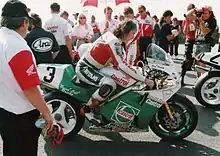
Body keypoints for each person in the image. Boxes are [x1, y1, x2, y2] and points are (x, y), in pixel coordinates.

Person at [75, 20, 154, 125]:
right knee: (109, 84)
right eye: (133, 32)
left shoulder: (114, 38)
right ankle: (87, 109)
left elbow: (122, 63)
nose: (133, 36)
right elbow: (122, 66)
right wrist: (145, 80)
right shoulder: (114, 42)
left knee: (121, 79)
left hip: (96, 67)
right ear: (126, 31)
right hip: (86, 68)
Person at [0, 1, 53, 156]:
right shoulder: (17, 45)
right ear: (24, 22)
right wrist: (46, 113)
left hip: (5, 110)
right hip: (21, 116)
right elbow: (29, 88)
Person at [185, 6, 217, 77]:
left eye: (206, 13)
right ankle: (198, 81)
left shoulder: (212, 21)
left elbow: (204, 32)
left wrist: (200, 21)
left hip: (205, 44)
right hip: (196, 44)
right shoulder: (200, 18)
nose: (204, 15)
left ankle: (202, 82)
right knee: (197, 65)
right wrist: (195, 9)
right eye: (203, 13)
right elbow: (187, 15)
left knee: (202, 66)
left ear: (210, 13)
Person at [180, 3, 197, 85]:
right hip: (189, 40)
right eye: (187, 9)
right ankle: (182, 77)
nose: (188, 11)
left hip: (198, 41)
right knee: (186, 60)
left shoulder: (197, 18)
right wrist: (187, 21)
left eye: (190, 9)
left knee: (198, 61)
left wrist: (193, 22)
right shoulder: (185, 20)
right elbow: (185, 32)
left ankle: (198, 80)